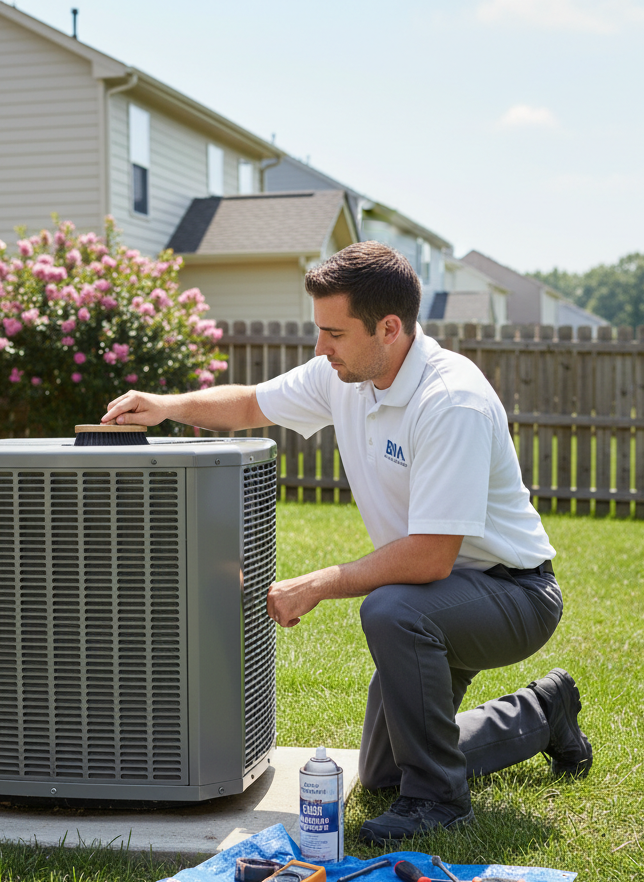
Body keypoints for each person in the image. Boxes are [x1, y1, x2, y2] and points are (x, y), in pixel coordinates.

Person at [101, 241, 592, 846]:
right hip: (438, 595)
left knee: (390, 609)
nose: (319, 347)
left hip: (511, 593)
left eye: (333, 333)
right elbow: (253, 402)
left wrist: (319, 583)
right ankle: (542, 714)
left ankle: (438, 800)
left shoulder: (450, 400)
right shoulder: (346, 378)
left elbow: (431, 555)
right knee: (384, 771)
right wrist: (167, 406)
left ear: (389, 328)